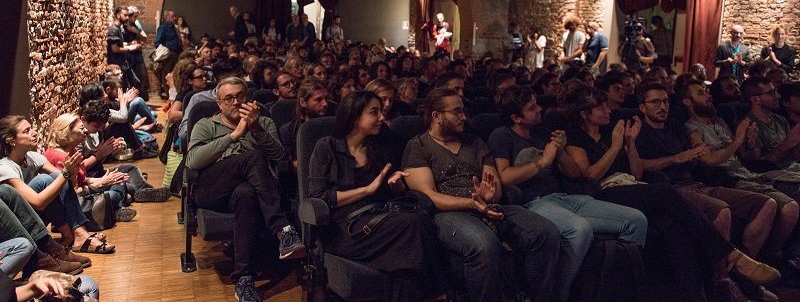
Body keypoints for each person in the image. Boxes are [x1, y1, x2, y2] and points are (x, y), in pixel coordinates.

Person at [560, 84, 780, 302]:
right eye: (600, 107)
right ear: (585, 114)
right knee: (666, 191)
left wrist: (629, 143)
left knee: (676, 228)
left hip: (631, 184)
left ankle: (694, 297)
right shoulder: (576, 138)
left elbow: (636, 173)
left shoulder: (611, 132)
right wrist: (616, 147)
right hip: (603, 192)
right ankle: (730, 255)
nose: (608, 110)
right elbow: (590, 177)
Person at [489, 85, 647, 302]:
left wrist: (561, 150)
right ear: (516, 117)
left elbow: (574, 174)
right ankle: (558, 296)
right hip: (533, 203)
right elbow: (504, 177)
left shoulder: (542, 133)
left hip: (564, 197)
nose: (539, 108)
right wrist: (543, 162)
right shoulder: (502, 135)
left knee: (636, 220)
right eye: (532, 107)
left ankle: (610, 292)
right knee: (579, 229)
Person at [403, 87, 561, 302]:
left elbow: (492, 182)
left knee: (546, 232)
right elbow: (428, 195)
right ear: (436, 116)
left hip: (488, 206)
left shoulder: (475, 142)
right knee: (484, 244)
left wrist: (491, 194)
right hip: (448, 213)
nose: (464, 117)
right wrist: (472, 203)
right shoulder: (419, 146)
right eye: (457, 112)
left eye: (463, 110)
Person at [308, 91, 448, 302]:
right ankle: (439, 293)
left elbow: (392, 193)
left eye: (381, 112)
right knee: (415, 224)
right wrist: (367, 190)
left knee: (408, 260)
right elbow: (319, 197)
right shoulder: (327, 147)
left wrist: (397, 186)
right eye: (374, 112)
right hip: (344, 229)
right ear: (355, 117)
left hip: (379, 219)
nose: (382, 117)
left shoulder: (380, 145)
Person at [185, 77, 304, 302]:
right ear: (219, 104)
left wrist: (256, 129)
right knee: (252, 157)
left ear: (248, 98)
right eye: (228, 98)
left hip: (251, 192)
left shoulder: (264, 122)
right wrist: (234, 135)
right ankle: (283, 230)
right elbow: (192, 161)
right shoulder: (206, 125)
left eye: (240, 96)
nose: (236, 102)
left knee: (246, 193)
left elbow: (280, 158)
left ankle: (243, 280)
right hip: (212, 189)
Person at [634, 83, 777, 265]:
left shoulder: (674, 126)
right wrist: (675, 158)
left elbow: (698, 156)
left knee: (767, 204)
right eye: (655, 102)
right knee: (722, 211)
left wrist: (694, 155)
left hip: (698, 183)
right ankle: (722, 277)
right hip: (672, 190)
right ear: (642, 107)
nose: (662, 107)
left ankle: (745, 267)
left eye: (665, 101)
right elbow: (638, 167)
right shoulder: (639, 131)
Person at [681, 78, 800, 274]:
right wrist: (737, 141)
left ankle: (775, 259)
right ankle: (756, 264)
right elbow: (710, 160)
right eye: (701, 93)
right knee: (788, 207)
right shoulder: (691, 129)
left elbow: (745, 156)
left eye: (707, 91)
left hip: (748, 173)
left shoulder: (719, 121)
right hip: (727, 178)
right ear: (688, 102)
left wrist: (750, 143)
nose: (708, 95)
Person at [0, 116, 116, 255]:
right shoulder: (5, 168)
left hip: (36, 219)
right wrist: (67, 173)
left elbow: (64, 180)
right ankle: (77, 234)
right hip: (16, 228)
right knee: (43, 180)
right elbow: (38, 202)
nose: (34, 133)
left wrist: (71, 172)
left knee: (55, 177)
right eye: (27, 131)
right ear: (11, 141)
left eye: (31, 128)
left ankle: (77, 233)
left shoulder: (32, 157)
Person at [45, 113, 136, 223]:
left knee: (119, 181)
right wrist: (101, 183)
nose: (85, 131)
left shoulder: (72, 150)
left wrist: (106, 179)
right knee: (113, 195)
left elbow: (83, 179)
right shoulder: (59, 157)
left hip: (84, 190)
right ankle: (118, 206)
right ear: (67, 131)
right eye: (81, 128)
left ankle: (117, 206)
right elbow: (74, 192)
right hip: (73, 204)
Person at [106, 6, 140, 91]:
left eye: (128, 15)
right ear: (118, 15)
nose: (127, 17)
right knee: (126, 87)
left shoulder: (118, 28)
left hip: (123, 64)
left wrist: (128, 44)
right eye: (125, 15)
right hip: (118, 63)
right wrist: (129, 48)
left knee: (134, 83)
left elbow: (119, 45)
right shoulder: (114, 29)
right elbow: (115, 49)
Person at [155, 9, 181, 100]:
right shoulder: (163, 28)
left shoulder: (174, 28)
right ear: (167, 17)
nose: (175, 18)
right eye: (172, 16)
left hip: (176, 54)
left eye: (175, 16)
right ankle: (169, 97)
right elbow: (157, 42)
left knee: (174, 75)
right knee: (167, 75)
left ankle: (173, 94)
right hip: (168, 54)